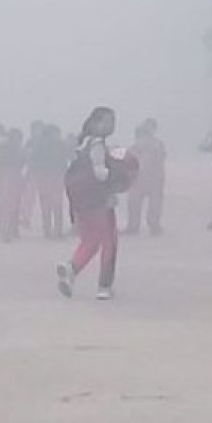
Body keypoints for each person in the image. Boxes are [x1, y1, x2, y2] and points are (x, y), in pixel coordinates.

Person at [57, 107, 137, 300]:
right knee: (109, 242)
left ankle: (71, 269)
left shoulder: (81, 142)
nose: (112, 125)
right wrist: (118, 175)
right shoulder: (97, 145)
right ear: (95, 122)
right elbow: (100, 173)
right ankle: (104, 286)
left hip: (81, 201)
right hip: (99, 201)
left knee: (90, 241)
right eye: (108, 121)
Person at [125, 119, 167, 236]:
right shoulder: (133, 148)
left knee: (155, 203)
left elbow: (160, 158)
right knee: (133, 202)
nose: (141, 138)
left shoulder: (157, 146)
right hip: (138, 180)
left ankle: (154, 224)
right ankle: (133, 225)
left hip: (154, 179)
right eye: (139, 136)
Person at [34, 124, 70, 240]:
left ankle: (48, 231)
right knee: (57, 204)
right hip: (56, 176)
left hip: (44, 177)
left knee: (46, 205)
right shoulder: (60, 144)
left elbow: (34, 160)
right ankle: (57, 231)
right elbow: (67, 158)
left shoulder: (39, 144)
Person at [0, 128, 27, 241]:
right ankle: (7, 229)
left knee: (13, 205)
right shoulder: (11, 150)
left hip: (14, 179)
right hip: (9, 178)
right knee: (9, 205)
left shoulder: (14, 149)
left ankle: (10, 228)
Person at [21, 120, 46, 229]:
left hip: (45, 174)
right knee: (28, 197)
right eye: (36, 129)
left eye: (39, 129)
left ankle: (46, 220)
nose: (37, 131)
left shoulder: (47, 143)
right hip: (32, 173)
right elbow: (25, 156)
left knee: (45, 198)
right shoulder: (30, 142)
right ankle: (26, 218)